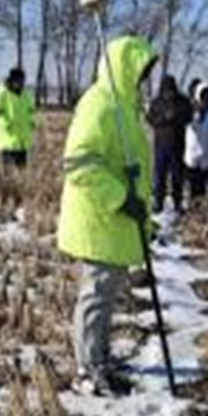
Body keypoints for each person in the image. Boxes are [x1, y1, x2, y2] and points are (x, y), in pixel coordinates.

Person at [58, 35, 158, 394]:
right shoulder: (99, 104)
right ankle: (86, 369)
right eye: (141, 70)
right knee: (96, 296)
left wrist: (143, 212)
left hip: (115, 222)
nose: (144, 78)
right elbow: (79, 164)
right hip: (99, 220)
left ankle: (98, 357)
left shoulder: (124, 106)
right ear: (125, 67)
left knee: (106, 295)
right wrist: (120, 199)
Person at [146, 74, 194, 214]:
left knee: (177, 176)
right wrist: (163, 118)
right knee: (159, 176)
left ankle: (177, 203)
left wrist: (176, 117)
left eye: (171, 90)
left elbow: (189, 117)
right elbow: (150, 119)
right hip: (161, 145)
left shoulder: (183, 101)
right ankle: (158, 203)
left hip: (178, 145)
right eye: (166, 91)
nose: (169, 93)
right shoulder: (156, 102)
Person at [0, 67, 36, 168]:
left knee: (22, 173)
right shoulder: (1, 94)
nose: (20, 83)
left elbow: (31, 110)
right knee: (9, 175)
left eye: (22, 81)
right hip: (8, 142)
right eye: (18, 81)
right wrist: (5, 124)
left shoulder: (27, 95)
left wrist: (32, 121)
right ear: (11, 80)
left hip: (23, 142)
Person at [184, 83, 208, 207]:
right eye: (203, 98)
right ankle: (196, 207)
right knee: (195, 187)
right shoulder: (192, 113)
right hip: (193, 158)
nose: (205, 100)